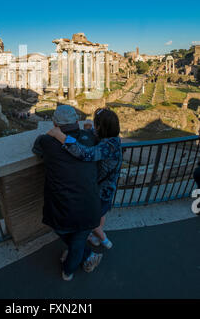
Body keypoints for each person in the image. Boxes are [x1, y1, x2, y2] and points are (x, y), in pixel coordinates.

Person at [32, 105, 103, 281]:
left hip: (60, 212)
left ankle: (68, 271)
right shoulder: (90, 139)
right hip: (90, 208)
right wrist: (87, 130)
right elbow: (80, 145)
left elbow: (37, 149)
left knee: (72, 238)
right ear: (77, 122)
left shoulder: (46, 142)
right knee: (79, 238)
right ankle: (85, 255)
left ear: (55, 124)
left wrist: (53, 135)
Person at [48, 107, 122, 250]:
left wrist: (60, 137)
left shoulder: (109, 147)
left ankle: (104, 240)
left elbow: (85, 153)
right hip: (108, 188)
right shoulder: (112, 139)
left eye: (96, 124)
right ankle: (96, 237)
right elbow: (94, 135)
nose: (94, 127)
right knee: (101, 213)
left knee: (93, 219)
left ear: (101, 127)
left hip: (102, 190)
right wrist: (88, 129)